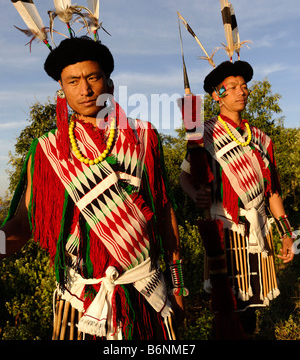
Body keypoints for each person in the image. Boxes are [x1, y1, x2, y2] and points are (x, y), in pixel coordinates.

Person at [1, 35, 185, 340]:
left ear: (109, 83)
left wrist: (178, 286)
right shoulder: (48, 149)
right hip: (81, 304)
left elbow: (163, 210)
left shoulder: (143, 136)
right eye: (73, 81)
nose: (85, 90)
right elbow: (21, 224)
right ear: (61, 90)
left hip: (146, 296)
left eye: (92, 77)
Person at [179, 59, 294, 338]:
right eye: (233, 87)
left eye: (244, 87)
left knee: (251, 309)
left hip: (257, 229)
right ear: (217, 95)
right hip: (225, 231)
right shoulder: (203, 134)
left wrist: (286, 232)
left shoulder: (260, 139)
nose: (241, 92)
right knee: (227, 308)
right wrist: (197, 194)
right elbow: (184, 177)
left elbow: (272, 191)